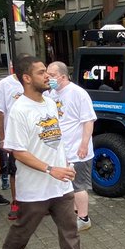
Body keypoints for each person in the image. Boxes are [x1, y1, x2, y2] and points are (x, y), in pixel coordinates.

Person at [0, 56, 97, 249]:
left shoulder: (49, 103)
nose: (47, 76)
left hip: (60, 183)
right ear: (27, 78)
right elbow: (17, 151)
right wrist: (51, 169)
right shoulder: (20, 109)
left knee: (70, 229)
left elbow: (56, 140)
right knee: (23, 231)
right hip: (35, 187)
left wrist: (66, 163)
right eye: (42, 73)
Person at [45, 61, 96, 230]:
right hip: (61, 150)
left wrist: (84, 145)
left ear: (63, 76)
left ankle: (84, 218)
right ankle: (74, 213)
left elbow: (88, 121)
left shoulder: (77, 93)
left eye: (52, 75)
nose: (48, 78)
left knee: (79, 185)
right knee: (67, 185)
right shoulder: (52, 93)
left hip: (77, 150)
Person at [0, 66, 26, 220]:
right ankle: (16, 204)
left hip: (35, 137)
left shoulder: (39, 83)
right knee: (15, 172)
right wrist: (2, 138)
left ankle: (39, 203)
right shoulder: (5, 84)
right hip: (15, 137)